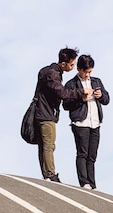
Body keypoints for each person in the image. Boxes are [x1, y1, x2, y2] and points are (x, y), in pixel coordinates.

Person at [33, 47, 93, 182]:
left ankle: (47, 173)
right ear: (63, 64)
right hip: (46, 113)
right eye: (72, 64)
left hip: (44, 112)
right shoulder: (52, 74)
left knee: (45, 145)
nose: (73, 67)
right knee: (49, 144)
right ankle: (50, 174)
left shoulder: (50, 72)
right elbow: (62, 93)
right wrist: (80, 92)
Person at [62, 54, 110, 189]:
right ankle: (84, 183)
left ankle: (92, 183)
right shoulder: (71, 84)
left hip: (96, 122)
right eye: (86, 72)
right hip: (80, 123)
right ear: (79, 69)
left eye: (90, 72)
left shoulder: (97, 81)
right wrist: (81, 99)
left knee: (92, 155)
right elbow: (66, 105)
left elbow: (107, 99)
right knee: (82, 153)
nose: (88, 75)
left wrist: (101, 96)